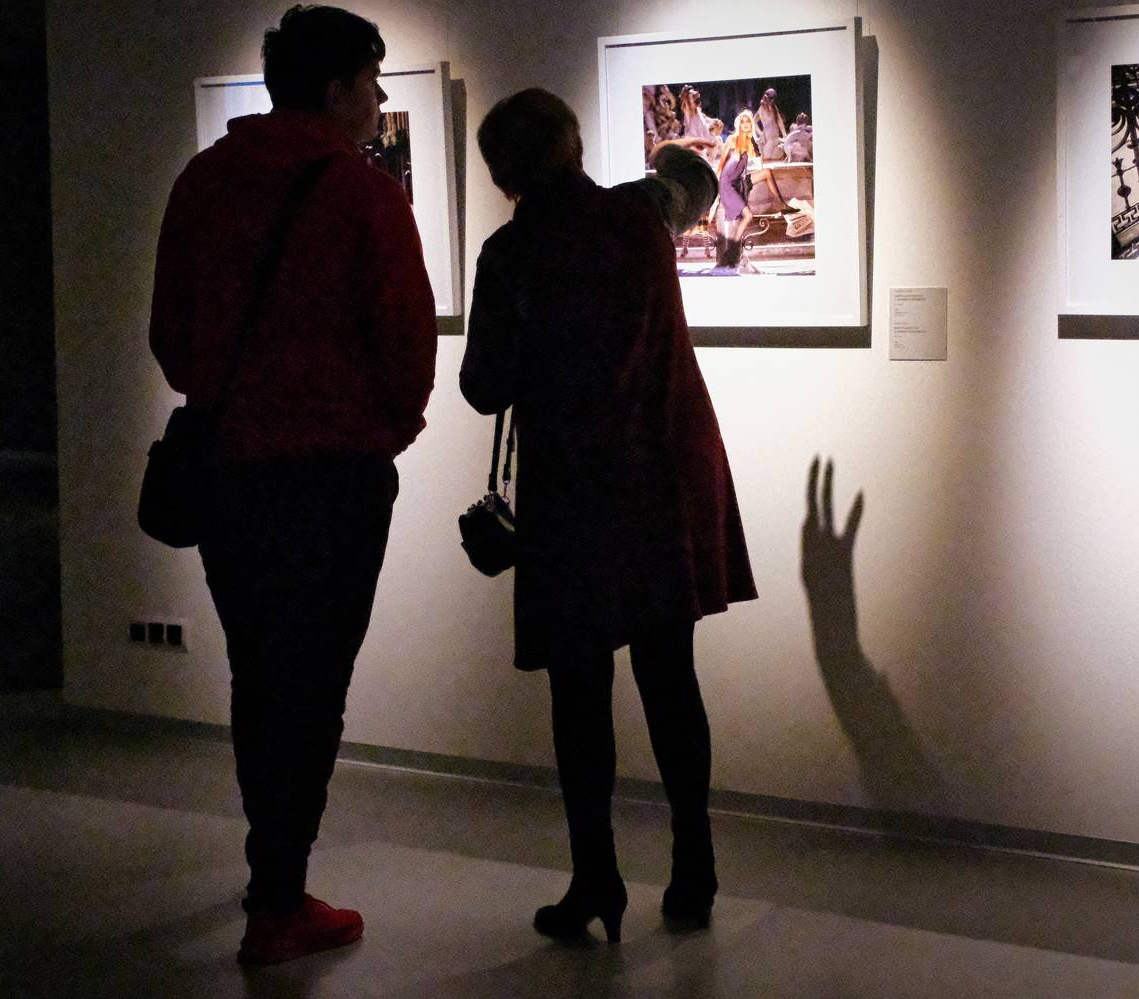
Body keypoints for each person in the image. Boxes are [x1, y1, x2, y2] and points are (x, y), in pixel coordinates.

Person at [148, 4, 437, 966]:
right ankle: (279, 896)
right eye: (372, 81)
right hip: (333, 477)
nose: (380, 99)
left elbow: (171, 337)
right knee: (314, 684)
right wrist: (380, 433)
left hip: (231, 471)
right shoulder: (363, 195)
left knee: (260, 672)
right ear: (336, 87)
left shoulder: (203, 181)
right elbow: (407, 344)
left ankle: (272, 875)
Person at [462, 89, 756, 944]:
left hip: (575, 495)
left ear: (503, 174)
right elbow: (687, 185)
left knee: (580, 692)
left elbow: (482, 385)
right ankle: (694, 867)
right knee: (671, 677)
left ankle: (596, 878)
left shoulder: (510, 253)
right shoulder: (639, 216)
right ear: (577, 146)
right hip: (662, 476)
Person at [712, 110, 759, 269]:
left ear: (751, 125)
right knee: (747, 215)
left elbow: (757, 165)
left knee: (742, 218)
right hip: (726, 184)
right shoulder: (732, 139)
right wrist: (715, 186)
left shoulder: (750, 143)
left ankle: (732, 255)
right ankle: (731, 254)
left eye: (748, 122)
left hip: (736, 185)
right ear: (739, 124)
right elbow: (721, 163)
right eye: (743, 121)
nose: (745, 124)